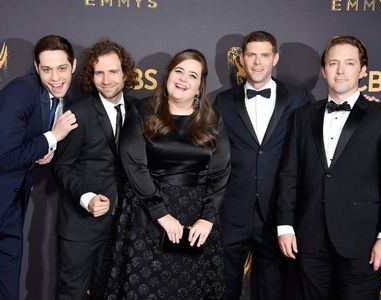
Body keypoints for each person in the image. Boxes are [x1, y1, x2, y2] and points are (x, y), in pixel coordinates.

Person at [277, 35, 381, 300]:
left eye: (349, 63)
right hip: (309, 240)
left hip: (363, 242)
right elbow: (290, 174)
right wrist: (285, 226)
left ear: (362, 71)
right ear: (323, 70)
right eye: (333, 63)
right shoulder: (302, 117)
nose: (340, 70)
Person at [105, 49, 230, 299]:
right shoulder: (143, 111)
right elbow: (134, 165)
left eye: (192, 75)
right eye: (179, 71)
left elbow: (220, 171)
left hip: (196, 221)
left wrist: (207, 218)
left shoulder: (212, 118)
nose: (183, 79)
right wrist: (160, 214)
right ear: (168, 75)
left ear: (199, 87)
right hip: (147, 216)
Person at [0, 35, 77, 299]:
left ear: (74, 66)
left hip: (10, 209)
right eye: (47, 69)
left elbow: (26, 144)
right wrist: (51, 137)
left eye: (62, 68)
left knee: (5, 294)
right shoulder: (20, 91)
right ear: (36, 68)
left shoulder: (62, 99)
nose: (56, 77)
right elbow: (3, 156)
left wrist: (44, 151)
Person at [214, 31, 310, 299]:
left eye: (265, 55)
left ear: (275, 58)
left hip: (277, 213)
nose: (258, 62)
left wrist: (366, 103)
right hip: (232, 211)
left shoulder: (297, 98)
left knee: (272, 288)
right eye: (252, 55)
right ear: (241, 59)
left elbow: (317, 136)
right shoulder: (223, 101)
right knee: (224, 287)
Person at [53, 39, 138, 300]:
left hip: (122, 227)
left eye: (113, 71)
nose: (106, 79)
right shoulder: (79, 113)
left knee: (109, 293)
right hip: (81, 226)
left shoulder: (139, 112)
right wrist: (87, 198)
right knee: (72, 294)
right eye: (99, 72)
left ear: (125, 73)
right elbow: (63, 166)